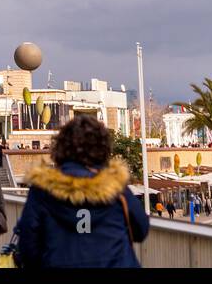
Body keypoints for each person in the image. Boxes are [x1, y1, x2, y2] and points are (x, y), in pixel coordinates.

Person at [13, 114, 149, 268]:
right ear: (103, 147)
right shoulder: (115, 187)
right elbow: (141, 230)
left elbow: (27, 246)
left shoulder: (43, 189)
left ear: (60, 148)